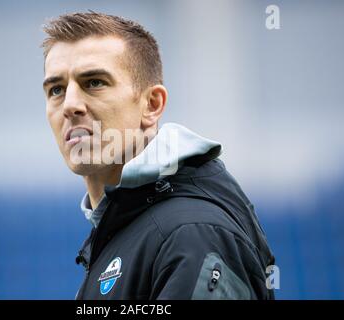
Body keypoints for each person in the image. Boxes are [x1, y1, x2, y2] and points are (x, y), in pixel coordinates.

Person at [41, 11, 275, 300]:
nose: (70, 105)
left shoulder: (191, 234)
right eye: (56, 89)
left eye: (94, 83)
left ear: (152, 105)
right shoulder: (124, 227)